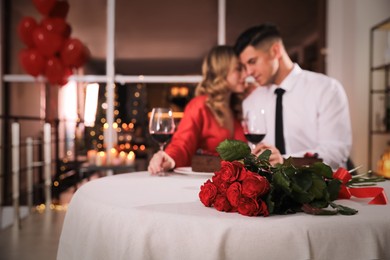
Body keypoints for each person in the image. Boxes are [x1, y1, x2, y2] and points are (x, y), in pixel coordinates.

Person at [234, 23, 352, 169]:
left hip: (321, 187)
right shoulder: (251, 102)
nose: (248, 72)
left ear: (275, 51)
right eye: (244, 66)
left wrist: (284, 162)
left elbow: (336, 152)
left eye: (252, 62)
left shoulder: (327, 89)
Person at [148, 45, 247, 175]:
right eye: (239, 69)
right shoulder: (199, 105)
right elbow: (182, 143)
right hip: (204, 185)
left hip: (233, 187)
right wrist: (169, 158)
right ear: (222, 71)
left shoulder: (236, 108)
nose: (246, 74)